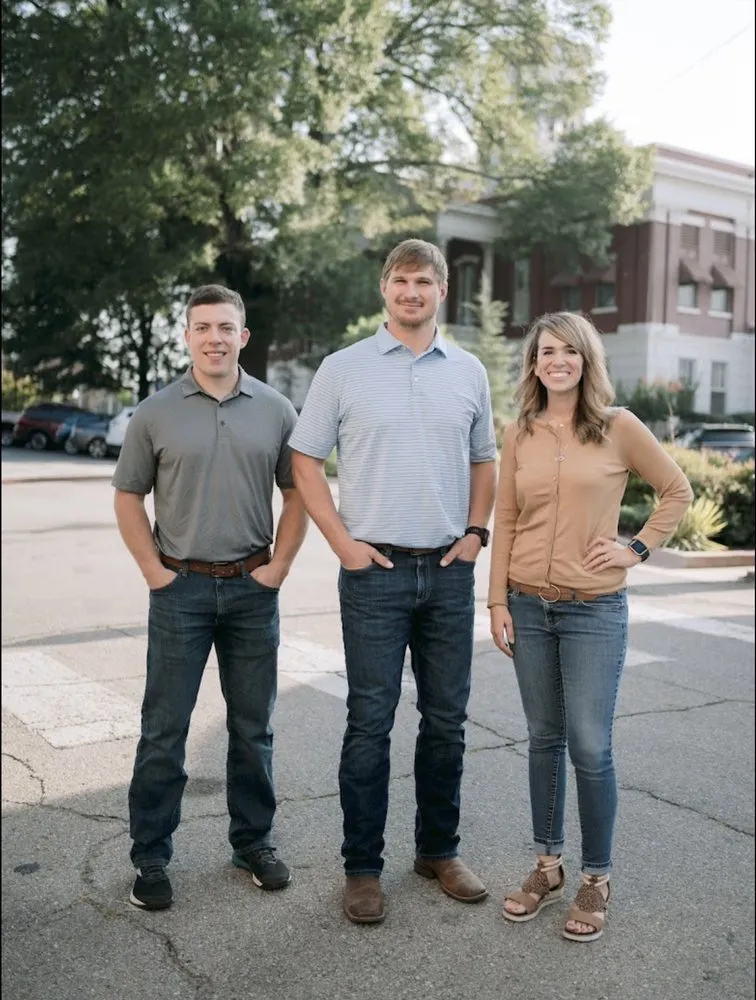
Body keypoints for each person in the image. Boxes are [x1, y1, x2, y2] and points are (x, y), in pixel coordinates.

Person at [289, 238, 498, 924]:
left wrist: (475, 535)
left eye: (424, 282)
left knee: (446, 722)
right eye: (402, 281)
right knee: (369, 723)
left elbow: (484, 461)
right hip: (372, 571)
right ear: (385, 288)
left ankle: (438, 851)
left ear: (443, 291)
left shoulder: (468, 371)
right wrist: (343, 545)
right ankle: (362, 868)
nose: (412, 293)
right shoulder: (344, 368)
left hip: (446, 572)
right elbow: (305, 460)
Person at [488, 311, 693, 942]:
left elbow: (676, 491)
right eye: (546, 351)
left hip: (593, 611)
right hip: (527, 603)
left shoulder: (617, 426)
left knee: (589, 744)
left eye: (569, 351)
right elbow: (507, 516)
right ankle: (548, 866)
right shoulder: (519, 431)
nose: (557, 361)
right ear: (534, 362)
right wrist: (496, 602)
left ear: (586, 360)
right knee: (543, 738)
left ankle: (596, 876)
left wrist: (636, 549)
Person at [113, 284, 308, 910]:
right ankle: (150, 858)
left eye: (225, 327)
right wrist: (154, 572)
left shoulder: (277, 410)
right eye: (203, 328)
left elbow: (300, 492)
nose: (214, 338)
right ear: (188, 337)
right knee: (164, 730)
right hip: (181, 590)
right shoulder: (155, 413)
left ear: (242, 336)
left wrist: (278, 567)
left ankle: (253, 842)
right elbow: (127, 496)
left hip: (254, 589)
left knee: (254, 729)